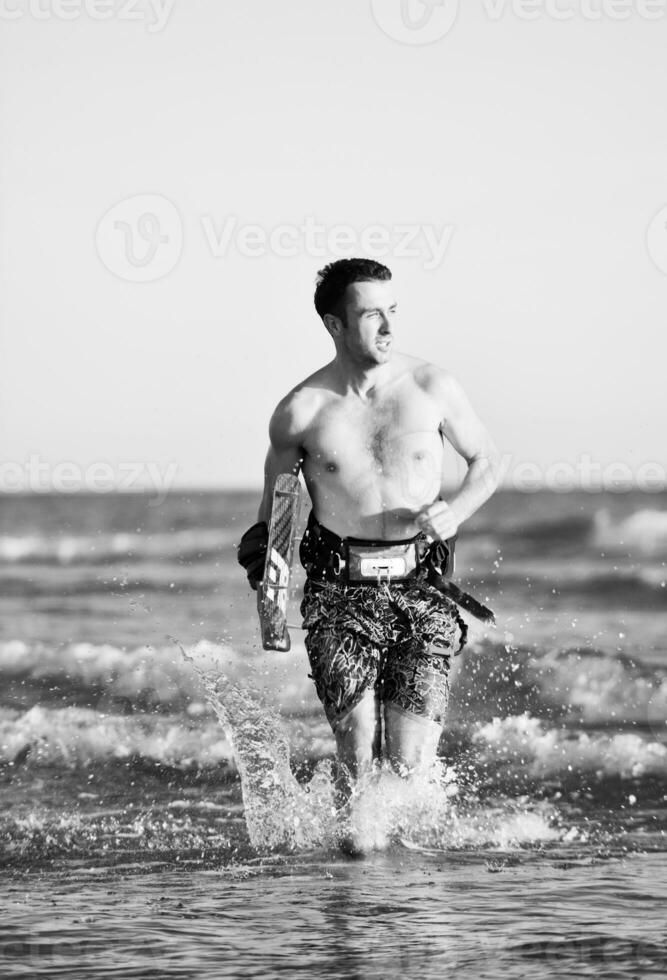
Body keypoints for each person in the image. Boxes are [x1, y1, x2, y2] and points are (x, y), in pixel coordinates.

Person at [238, 257, 500, 805]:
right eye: (371, 314)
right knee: (358, 753)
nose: (388, 327)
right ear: (334, 325)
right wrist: (269, 584)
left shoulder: (432, 386)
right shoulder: (300, 411)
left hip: (422, 592)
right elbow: (275, 519)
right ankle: (355, 863)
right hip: (339, 595)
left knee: (408, 766)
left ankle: (399, 871)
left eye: (392, 311)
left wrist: (457, 510)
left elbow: (487, 462)